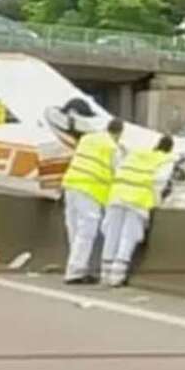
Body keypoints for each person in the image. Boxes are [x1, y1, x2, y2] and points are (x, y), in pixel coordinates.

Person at [100, 134, 174, 287]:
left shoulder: (137, 153)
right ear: (169, 149)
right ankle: (117, 276)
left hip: (117, 194)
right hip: (138, 199)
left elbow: (118, 167)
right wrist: (157, 202)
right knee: (129, 236)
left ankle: (104, 272)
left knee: (112, 233)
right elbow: (159, 182)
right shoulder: (166, 160)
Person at [61, 117, 124, 284]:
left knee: (74, 229)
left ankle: (75, 267)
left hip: (71, 185)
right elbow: (118, 174)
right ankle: (75, 272)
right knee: (87, 231)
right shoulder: (112, 148)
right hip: (89, 191)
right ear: (118, 134)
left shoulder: (87, 139)